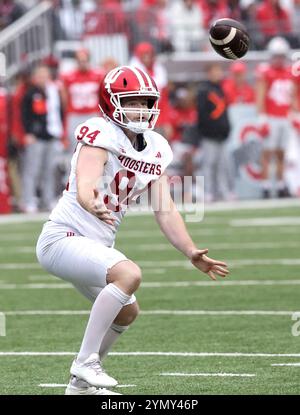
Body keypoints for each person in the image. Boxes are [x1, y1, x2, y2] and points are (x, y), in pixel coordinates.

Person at [36, 65, 229, 395]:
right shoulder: (100, 134)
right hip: (63, 238)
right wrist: (90, 201)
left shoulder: (154, 147)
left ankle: (79, 387)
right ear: (111, 103)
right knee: (128, 274)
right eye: (131, 101)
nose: (140, 109)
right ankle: (85, 363)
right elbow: (86, 181)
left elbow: (164, 209)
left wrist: (190, 250)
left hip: (94, 247)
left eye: (145, 102)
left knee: (127, 311)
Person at [256, 36, 297, 198]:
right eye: (276, 55)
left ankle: (280, 185)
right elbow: (260, 96)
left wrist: (294, 113)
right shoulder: (266, 72)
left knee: (281, 153)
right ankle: (265, 186)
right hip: (271, 117)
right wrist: (262, 118)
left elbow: (293, 96)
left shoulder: (289, 72)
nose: (279, 59)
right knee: (267, 153)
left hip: (284, 117)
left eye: (281, 55)